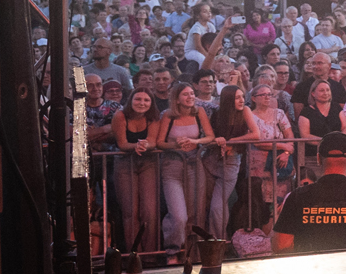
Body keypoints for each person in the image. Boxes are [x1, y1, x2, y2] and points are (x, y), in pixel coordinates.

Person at [154, 83, 214, 251]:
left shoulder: (199, 112)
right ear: (177, 99)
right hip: (172, 164)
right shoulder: (168, 115)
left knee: (195, 212)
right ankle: (173, 250)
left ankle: (191, 251)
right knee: (179, 215)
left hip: (194, 163)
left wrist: (195, 141)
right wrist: (176, 144)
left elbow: (210, 136)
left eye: (192, 93)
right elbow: (160, 142)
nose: (190, 97)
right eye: (186, 94)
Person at [111, 88, 162, 255]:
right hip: (125, 163)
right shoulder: (120, 115)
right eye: (138, 99)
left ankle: (150, 255)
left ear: (151, 103)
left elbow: (153, 141)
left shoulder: (153, 117)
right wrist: (136, 146)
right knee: (130, 212)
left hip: (148, 163)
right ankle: (134, 254)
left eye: (146, 100)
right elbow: (122, 144)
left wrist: (145, 145)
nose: (142, 103)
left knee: (149, 211)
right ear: (131, 100)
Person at [205, 86, 259, 240]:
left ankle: (219, 241)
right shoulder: (217, 114)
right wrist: (219, 140)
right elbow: (210, 136)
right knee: (207, 205)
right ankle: (209, 242)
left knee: (217, 206)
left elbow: (256, 135)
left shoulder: (245, 111)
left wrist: (231, 141)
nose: (242, 100)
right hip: (209, 161)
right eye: (237, 97)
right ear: (228, 100)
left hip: (231, 161)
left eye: (242, 96)